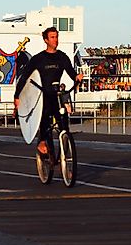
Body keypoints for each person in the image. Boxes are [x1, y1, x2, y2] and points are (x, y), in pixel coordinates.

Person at [13, 27, 83, 157]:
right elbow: (24, 78)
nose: (55, 40)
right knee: (45, 119)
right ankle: (42, 142)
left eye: (56, 37)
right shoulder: (38, 59)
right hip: (43, 95)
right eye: (52, 37)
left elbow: (71, 72)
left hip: (57, 95)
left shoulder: (62, 57)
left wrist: (77, 77)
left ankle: (65, 160)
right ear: (45, 40)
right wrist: (17, 96)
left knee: (64, 126)